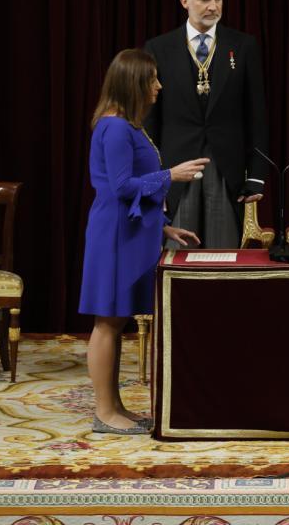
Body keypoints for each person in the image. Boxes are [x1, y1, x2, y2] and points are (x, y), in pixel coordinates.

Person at [80, 49, 207, 435]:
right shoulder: (116, 127)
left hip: (129, 230)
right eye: (152, 79)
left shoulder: (128, 125)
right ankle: (104, 412)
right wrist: (172, 175)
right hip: (115, 235)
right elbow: (120, 187)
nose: (158, 86)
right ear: (133, 83)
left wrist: (164, 227)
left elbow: (130, 189)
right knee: (107, 321)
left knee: (117, 321)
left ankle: (115, 406)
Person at [144, 0, 269, 249]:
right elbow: (150, 119)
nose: (214, 6)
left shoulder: (244, 45)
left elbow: (256, 115)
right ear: (185, 1)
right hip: (176, 167)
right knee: (179, 255)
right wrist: (153, 177)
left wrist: (258, 174)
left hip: (227, 167)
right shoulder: (158, 48)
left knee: (223, 257)